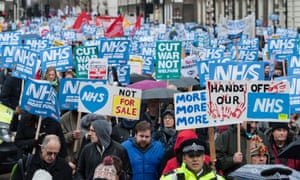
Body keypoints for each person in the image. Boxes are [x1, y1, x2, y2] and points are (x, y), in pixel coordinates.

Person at [160, 138, 225, 180]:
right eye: (191, 156)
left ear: (203, 157)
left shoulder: (216, 178)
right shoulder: (171, 178)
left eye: (198, 156)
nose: (195, 159)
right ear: (184, 158)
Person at [60, 110, 82, 176]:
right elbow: (60, 138)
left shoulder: (92, 118)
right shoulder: (64, 119)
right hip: (71, 159)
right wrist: (71, 135)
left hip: (84, 160)